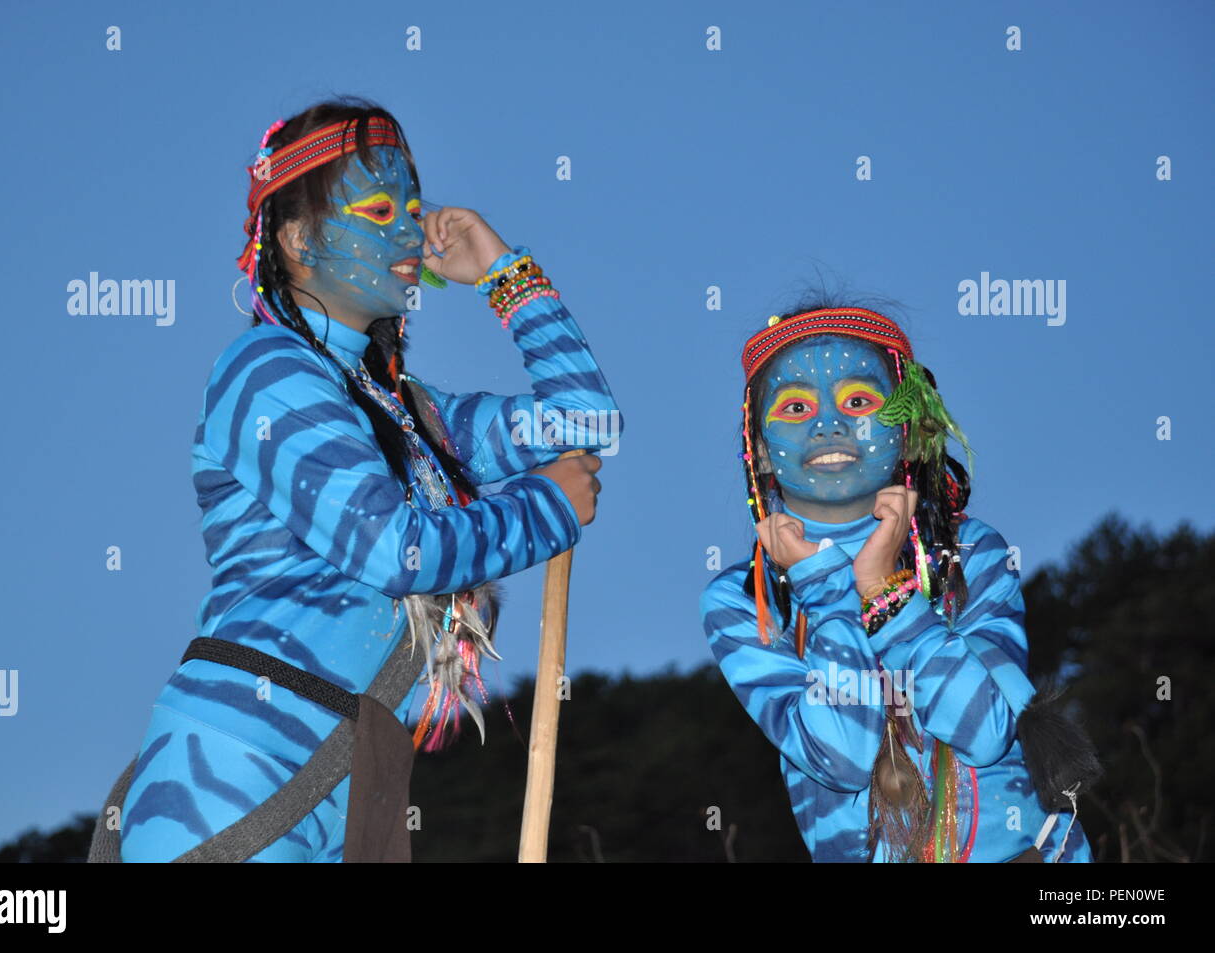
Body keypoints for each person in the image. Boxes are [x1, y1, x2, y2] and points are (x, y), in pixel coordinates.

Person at [114, 97, 619, 862]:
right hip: (229, 777)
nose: (411, 232)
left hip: (353, 786)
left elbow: (589, 424)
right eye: (380, 209)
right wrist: (546, 506)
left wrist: (501, 269)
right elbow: (391, 549)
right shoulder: (265, 371)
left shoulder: (410, 413)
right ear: (296, 238)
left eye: (414, 210)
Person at [699, 301, 1095, 862]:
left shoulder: (969, 553)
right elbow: (843, 755)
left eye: (859, 400)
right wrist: (828, 588)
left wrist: (890, 595)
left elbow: (984, 731)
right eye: (794, 406)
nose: (828, 423)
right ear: (760, 448)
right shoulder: (746, 603)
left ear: (907, 433)